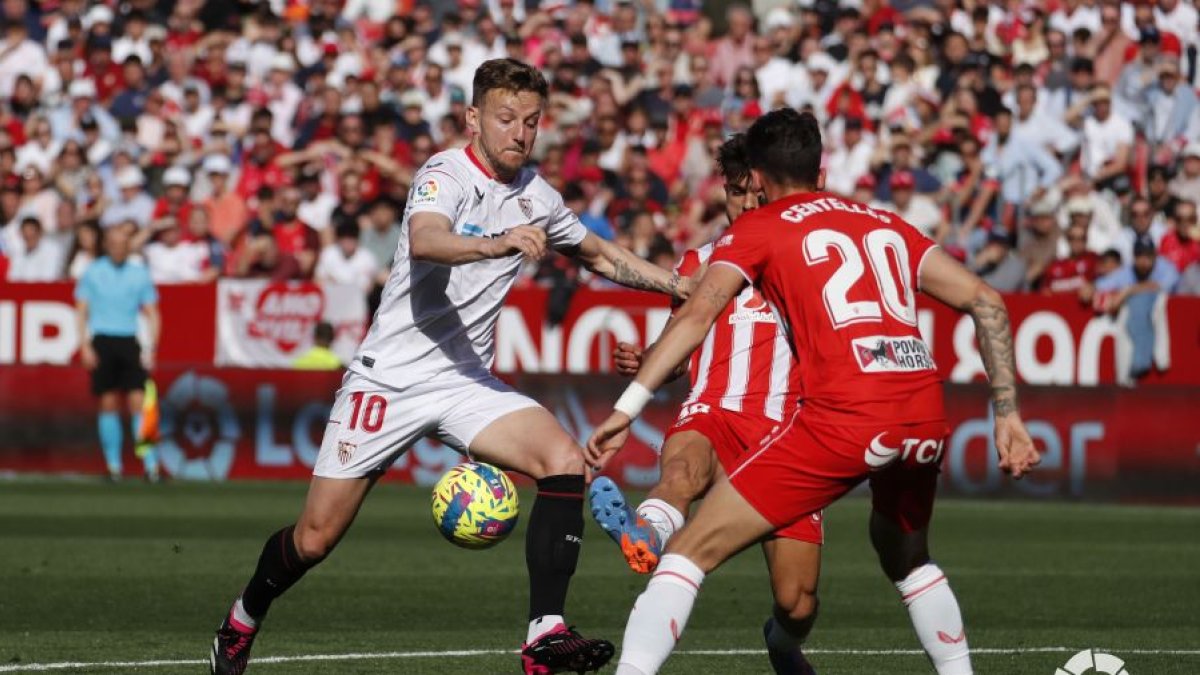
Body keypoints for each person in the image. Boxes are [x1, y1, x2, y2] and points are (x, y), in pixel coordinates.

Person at [209, 59, 691, 675]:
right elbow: (429, 238)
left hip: (466, 380)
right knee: (314, 539)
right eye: (507, 118)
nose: (520, 132)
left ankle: (545, 636)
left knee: (564, 461)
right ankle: (241, 620)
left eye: (532, 122)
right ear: (474, 118)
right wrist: (498, 243)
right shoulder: (444, 173)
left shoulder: (537, 194)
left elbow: (597, 253)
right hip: (390, 379)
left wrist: (680, 284)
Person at [587, 109, 1040, 675]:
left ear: (755, 178)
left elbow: (700, 313)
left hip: (843, 418)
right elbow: (988, 302)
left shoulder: (761, 227)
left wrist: (627, 407)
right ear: (820, 172)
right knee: (907, 558)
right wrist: (1007, 413)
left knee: (689, 555)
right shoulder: (883, 223)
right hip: (923, 412)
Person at [590, 134, 820, 672]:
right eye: (734, 194)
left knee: (798, 601)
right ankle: (642, 533)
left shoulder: (808, 257)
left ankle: (783, 641)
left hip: (785, 432)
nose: (744, 204)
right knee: (682, 472)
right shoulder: (701, 260)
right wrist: (649, 361)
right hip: (712, 409)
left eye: (752, 192)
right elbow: (679, 344)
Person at [73, 226, 161, 482]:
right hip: (102, 340)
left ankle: (150, 465)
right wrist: (85, 345)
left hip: (129, 340)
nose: (118, 248)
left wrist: (152, 347)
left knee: (139, 402)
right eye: (114, 243)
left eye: (123, 243)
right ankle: (114, 466)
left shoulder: (139, 273)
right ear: (108, 244)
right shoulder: (93, 271)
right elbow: (81, 310)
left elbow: (154, 313)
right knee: (108, 402)